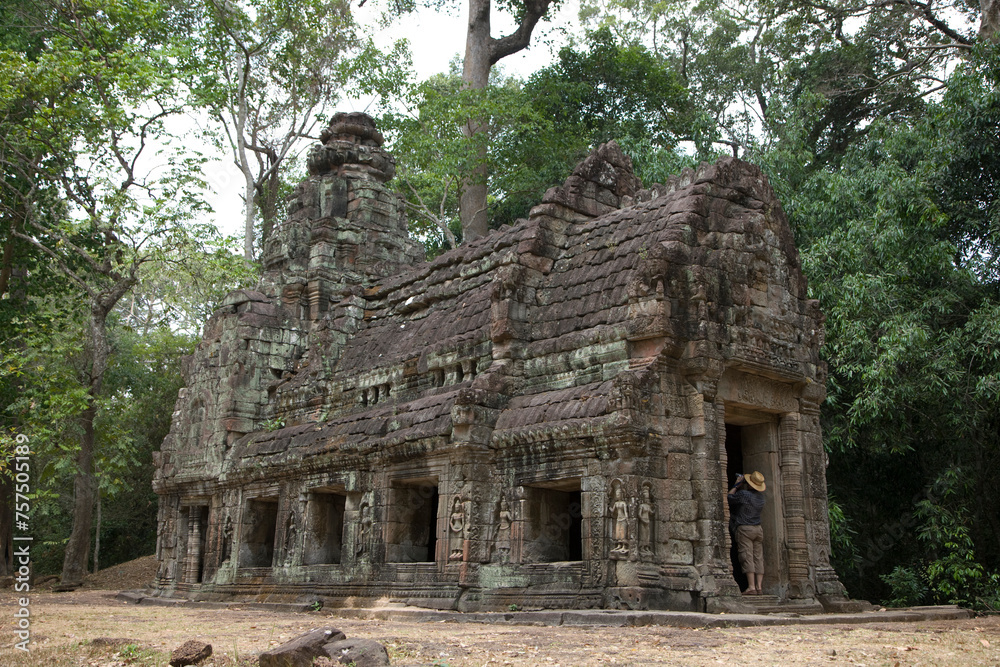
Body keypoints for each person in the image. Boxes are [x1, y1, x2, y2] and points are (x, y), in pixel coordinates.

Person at [727, 470, 766, 594]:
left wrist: (736, 485)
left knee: (747, 556)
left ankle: (751, 587)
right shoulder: (761, 498)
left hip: (745, 528)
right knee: (758, 557)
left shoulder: (744, 494)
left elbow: (729, 497)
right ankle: (759, 586)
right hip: (758, 529)